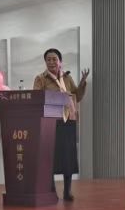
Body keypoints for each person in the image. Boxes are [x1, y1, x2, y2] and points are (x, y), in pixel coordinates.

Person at [33, 48, 90, 201]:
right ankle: (51, 191)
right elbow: (37, 98)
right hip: (51, 122)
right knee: (51, 157)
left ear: (60, 62)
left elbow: (77, 97)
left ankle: (67, 191)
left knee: (68, 156)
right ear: (45, 62)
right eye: (48, 59)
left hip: (69, 120)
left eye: (54, 59)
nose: (51, 62)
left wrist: (82, 83)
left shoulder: (67, 77)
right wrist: (56, 97)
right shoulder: (41, 79)